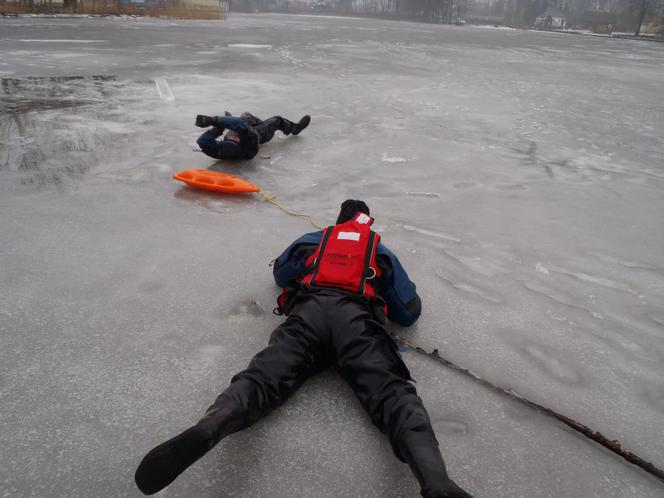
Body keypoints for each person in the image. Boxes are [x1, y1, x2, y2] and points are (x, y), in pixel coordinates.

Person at [134, 200, 472, 498]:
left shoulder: (315, 240)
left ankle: (210, 426)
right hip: (355, 323)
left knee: (261, 380)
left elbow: (281, 275)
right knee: (394, 395)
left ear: (338, 220)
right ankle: (437, 481)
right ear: (367, 221)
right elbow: (408, 312)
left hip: (307, 316)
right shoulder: (378, 249)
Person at [195, 111, 311, 161]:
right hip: (260, 133)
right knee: (277, 120)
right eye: (235, 138)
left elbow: (202, 141)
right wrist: (214, 120)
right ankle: (295, 128)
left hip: (243, 130)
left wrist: (219, 127)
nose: (232, 136)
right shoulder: (250, 145)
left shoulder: (219, 150)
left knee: (246, 115)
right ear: (240, 143)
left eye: (230, 137)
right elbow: (241, 125)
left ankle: (255, 121)